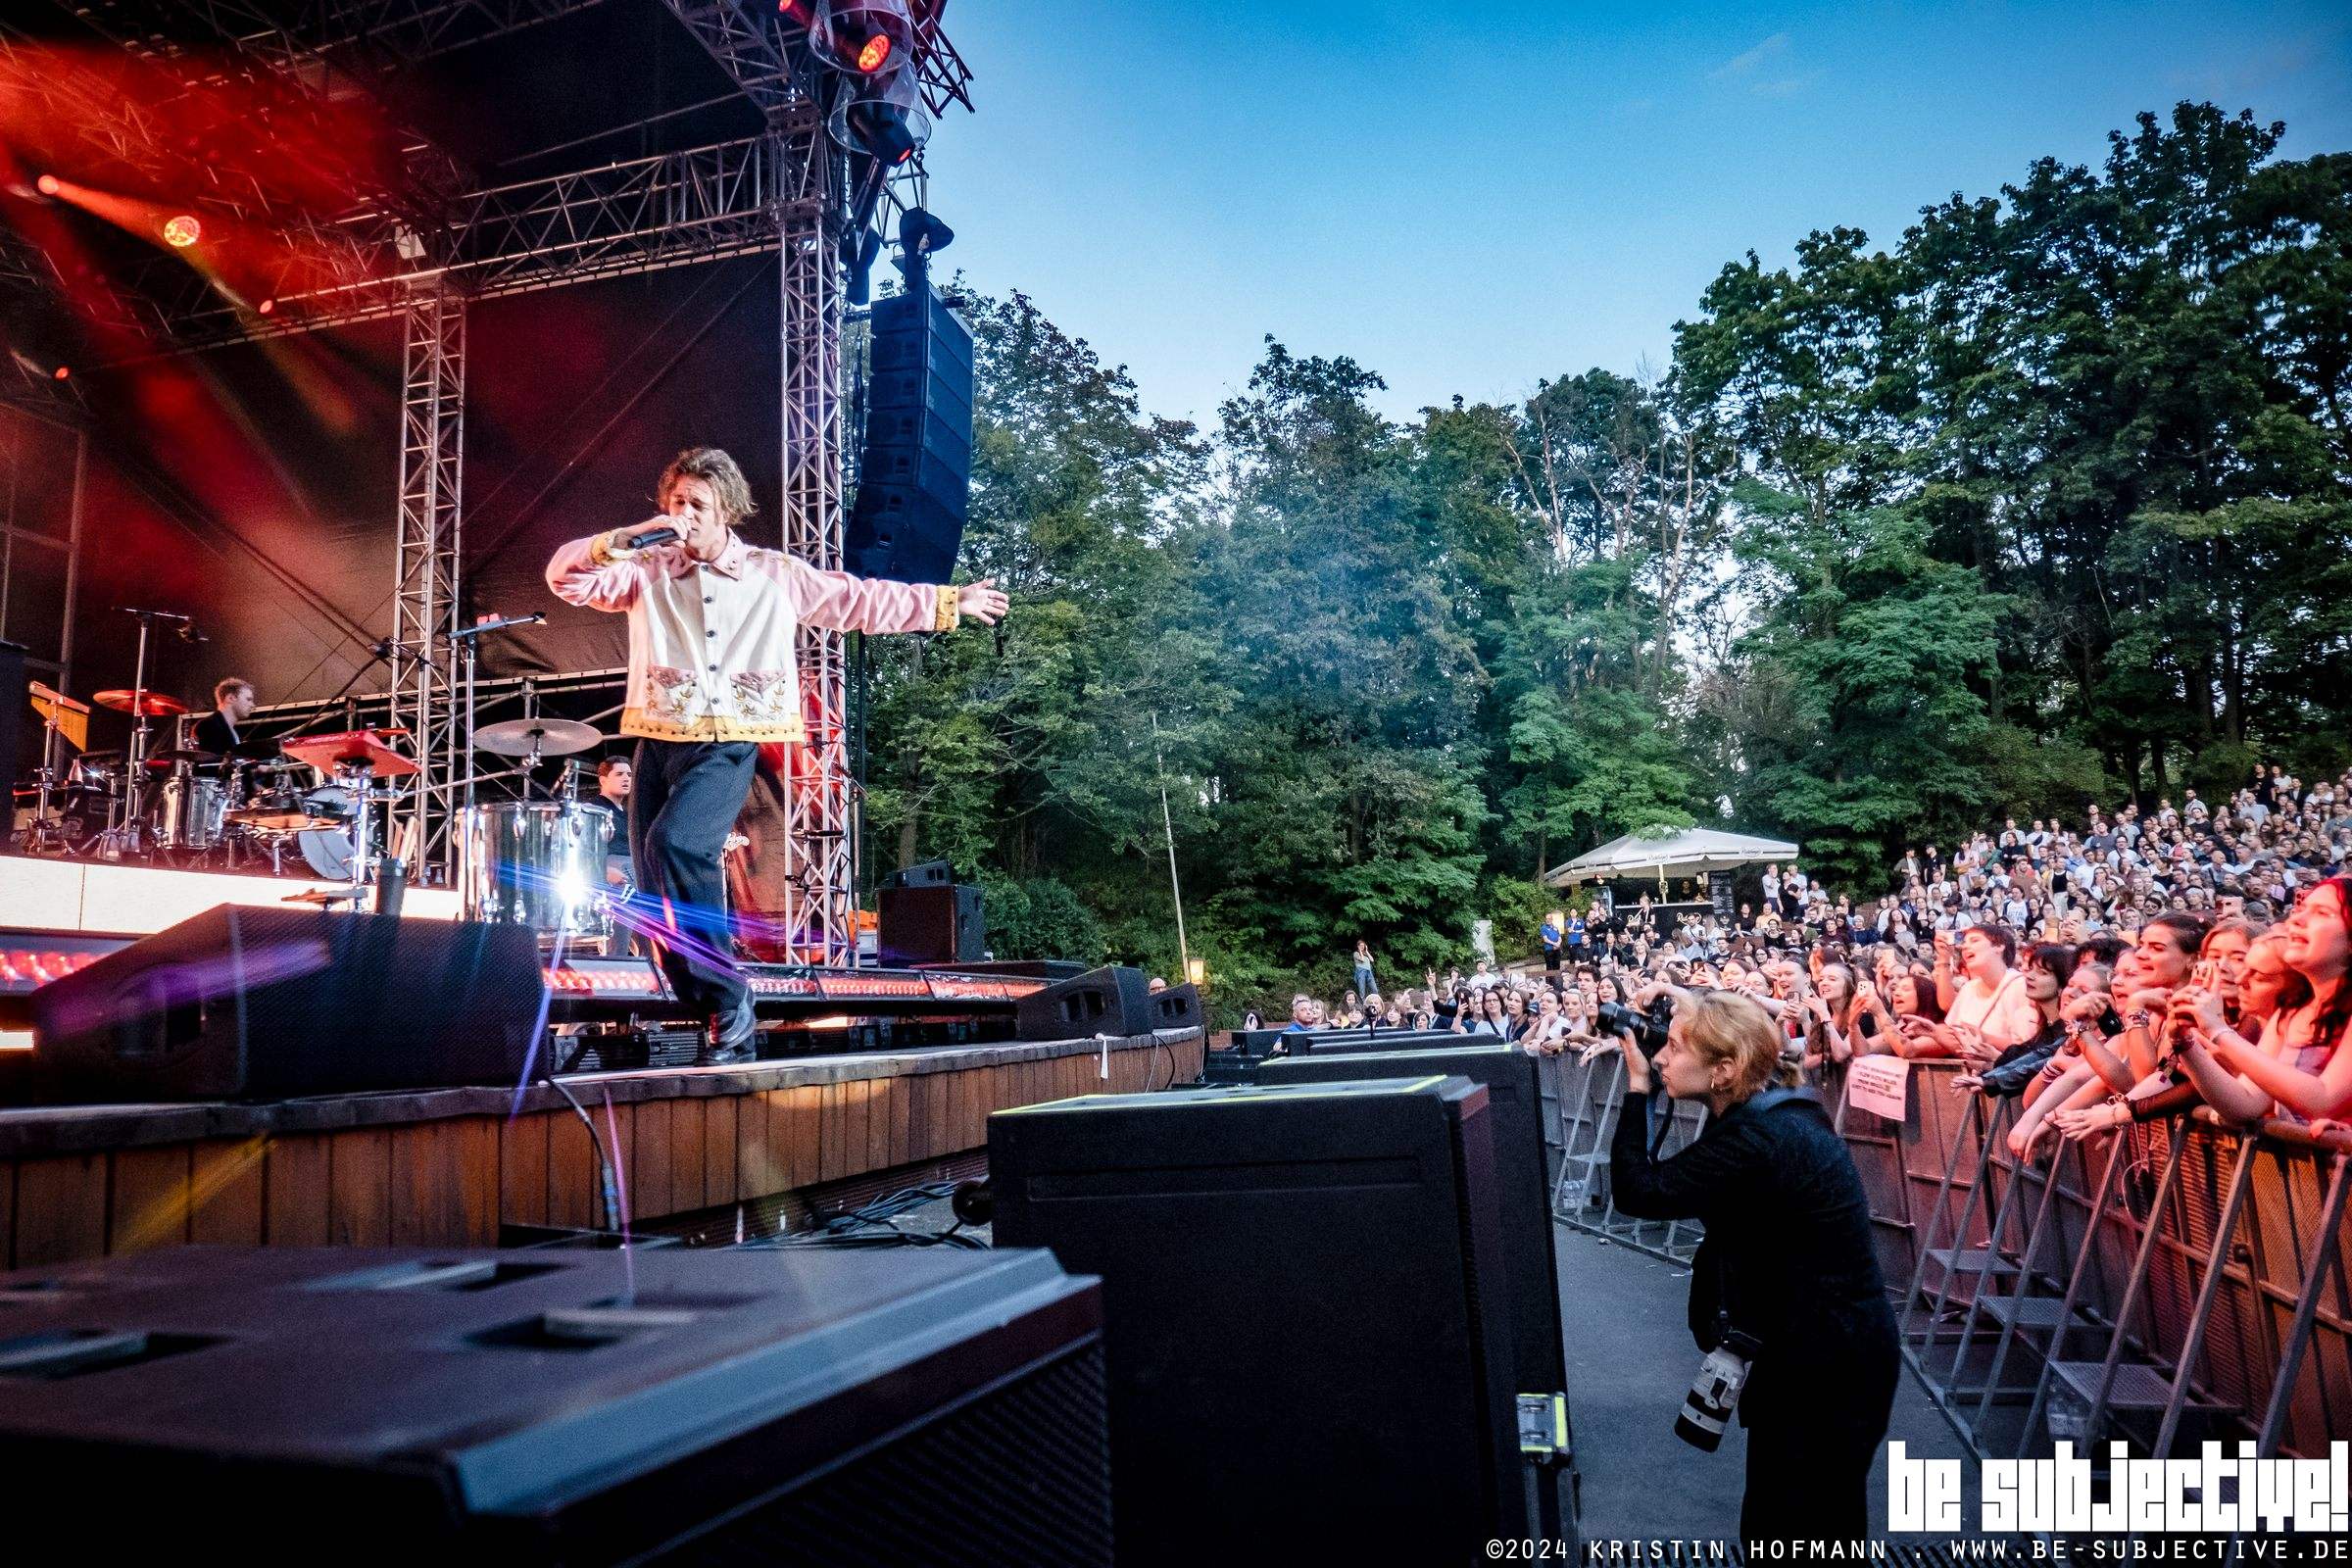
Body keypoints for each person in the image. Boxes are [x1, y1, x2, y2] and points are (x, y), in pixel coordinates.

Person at [548, 446, 1006, 1062]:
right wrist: (625, 539)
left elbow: (859, 601)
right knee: (655, 884)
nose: (684, 514)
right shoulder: (645, 567)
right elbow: (564, 578)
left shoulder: (773, 574)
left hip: (728, 741)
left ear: (726, 511)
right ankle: (711, 1006)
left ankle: (726, 993)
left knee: (676, 844)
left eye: (697, 504)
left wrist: (946, 603)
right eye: (675, 502)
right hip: (657, 736)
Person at [1598, 989, 1898, 1544]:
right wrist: (1686, 1000)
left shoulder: (1758, 1138)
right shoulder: (1773, 1111)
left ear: (1725, 1069)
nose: (1660, 1055)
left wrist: (1638, 1088)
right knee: (1806, 1527)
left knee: (1790, 1532)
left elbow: (1639, 1190)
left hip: (1825, 1367)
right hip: (1828, 1354)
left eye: (1674, 1046)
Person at [191, 677, 256, 757]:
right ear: (230, 698)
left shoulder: (231, 730)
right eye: (248, 699)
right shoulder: (210, 725)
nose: (252, 705)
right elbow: (212, 764)